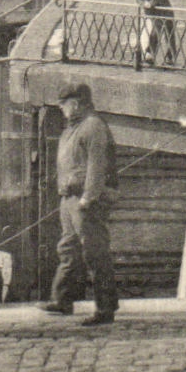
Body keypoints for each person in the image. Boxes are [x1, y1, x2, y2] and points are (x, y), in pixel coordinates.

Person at [41, 82, 118, 325]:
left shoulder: (93, 126)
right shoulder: (72, 128)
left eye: (64, 104)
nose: (61, 109)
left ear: (76, 104)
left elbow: (97, 166)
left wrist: (88, 197)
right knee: (68, 249)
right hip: (69, 198)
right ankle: (63, 299)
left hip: (85, 199)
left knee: (95, 253)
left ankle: (105, 308)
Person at [132, 0, 175, 66]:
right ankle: (150, 55)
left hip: (165, 12)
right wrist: (144, 3)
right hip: (154, 14)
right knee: (155, 33)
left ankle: (170, 57)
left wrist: (151, 3)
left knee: (169, 33)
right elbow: (138, 0)